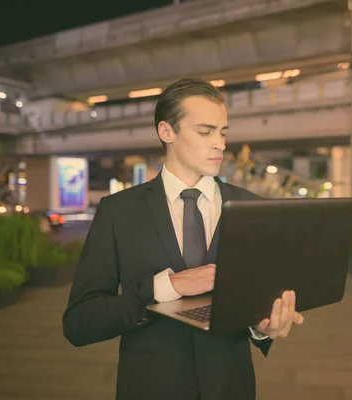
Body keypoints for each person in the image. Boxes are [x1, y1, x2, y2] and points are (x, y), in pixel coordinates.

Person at [62, 78, 304, 400]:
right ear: (167, 132)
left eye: (223, 132)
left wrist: (262, 328)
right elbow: (80, 323)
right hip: (150, 389)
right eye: (205, 132)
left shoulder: (253, 207)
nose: (219, 143)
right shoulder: (118, 212)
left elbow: (255, 303)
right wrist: (165, 288)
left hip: (231, 388)